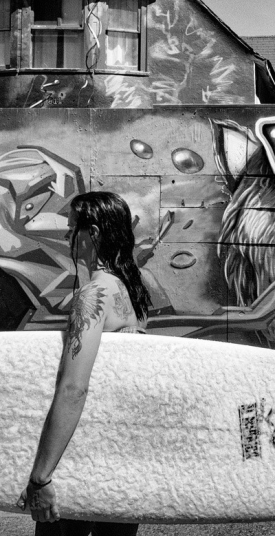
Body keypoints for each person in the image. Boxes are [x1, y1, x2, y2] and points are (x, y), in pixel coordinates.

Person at [17, 191, 152, 536]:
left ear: (92, 233)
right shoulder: (132, 292)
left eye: (72, 227)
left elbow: (74, 388)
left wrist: (41, 477)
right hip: (118, 459)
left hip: (82, 462)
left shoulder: (94, 294)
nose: (66, 236)